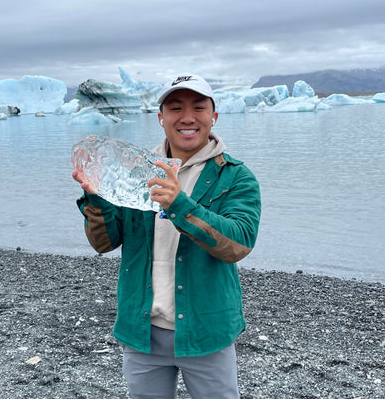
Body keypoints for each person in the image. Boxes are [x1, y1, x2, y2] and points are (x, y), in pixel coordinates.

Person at [72, 73, 261, 398]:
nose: (187, 117)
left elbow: (239, 243)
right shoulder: (135, 173)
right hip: (142, 330)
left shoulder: (235, 177)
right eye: (175, 108)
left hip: (206, 332)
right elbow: (103, 243)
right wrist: (97, 196)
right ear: (161, 118)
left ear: (213, 117)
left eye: (198, 107)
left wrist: (180, 205)